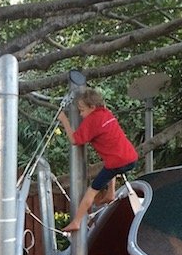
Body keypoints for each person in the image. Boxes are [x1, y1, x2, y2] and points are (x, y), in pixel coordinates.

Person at [57, 88, 139, 232]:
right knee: (110, 166)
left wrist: (65, 121)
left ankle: (76, 221)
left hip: (117, 162)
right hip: (130, 158)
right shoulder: (106, 113)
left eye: (82, 111)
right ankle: (110, 193)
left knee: (92, 190)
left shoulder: (92, 121)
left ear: (92, 107)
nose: (81, 115)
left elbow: (75, 140)